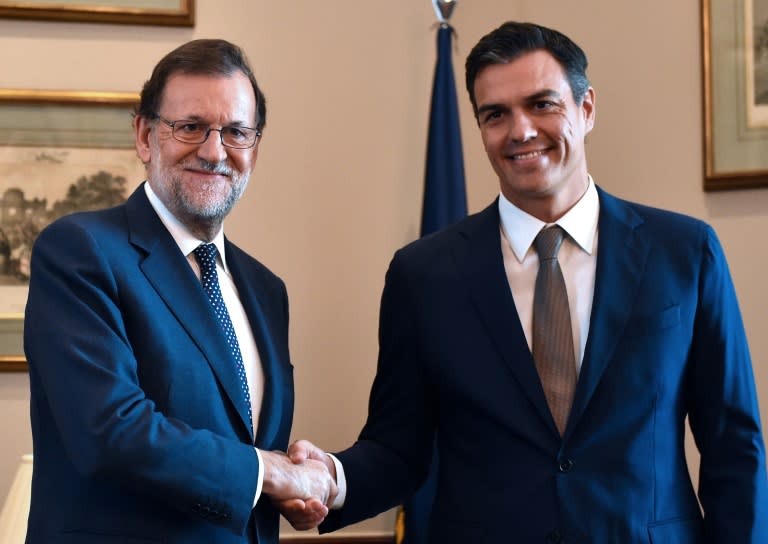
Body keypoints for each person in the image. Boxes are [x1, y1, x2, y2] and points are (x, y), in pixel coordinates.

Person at [280, 21, 768, 542]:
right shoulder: (423, 276)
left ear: (587, 108)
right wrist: (329, 479)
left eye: (542, 104)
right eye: (496, 114)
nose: (520, 131)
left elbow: (733, 446)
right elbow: (399, 448)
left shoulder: (685, 253)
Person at [24, 39, 335, 544]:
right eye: (190, 127)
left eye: (236, 132)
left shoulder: (265, 290)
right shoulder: (80, 250)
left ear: (254, 149)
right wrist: (272, 473)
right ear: (145, 136)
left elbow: (237, 455)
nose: (214, 151)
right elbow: (112, 433)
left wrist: (293, 489)